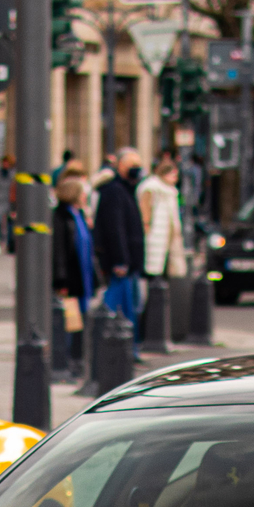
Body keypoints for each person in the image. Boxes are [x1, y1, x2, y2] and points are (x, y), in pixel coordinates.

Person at [92, 148, 147, 356]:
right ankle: (120, 349)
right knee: (118, 308)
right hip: (122, 263)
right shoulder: (115, 191)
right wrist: (120, 260)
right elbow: (115, 229)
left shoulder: (126, 190)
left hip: (129, 262)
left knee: (130, 307)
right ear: (121, 167)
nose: (137, 169)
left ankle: (129, 348)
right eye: (133, 165)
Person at [51, 174, 96, 374]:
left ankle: (77, 358)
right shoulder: (61, 217)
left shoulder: (78, 215)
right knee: (71, 322)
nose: (85, 197)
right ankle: (68, 359)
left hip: (82, 276)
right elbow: (59, 250)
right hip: (70, 278)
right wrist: (61, 279)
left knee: (81, 320)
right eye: (82, 193)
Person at [138, 153, 185, 327]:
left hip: (165, 243)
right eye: (173, 174)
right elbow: (145, 214)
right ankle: (149, 325)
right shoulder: (152, 189)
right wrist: (147, 231)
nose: (175, 178)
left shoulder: (170, 192)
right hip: (154, 242)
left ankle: (157, 324)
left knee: (161, 284)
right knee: (152, 284)